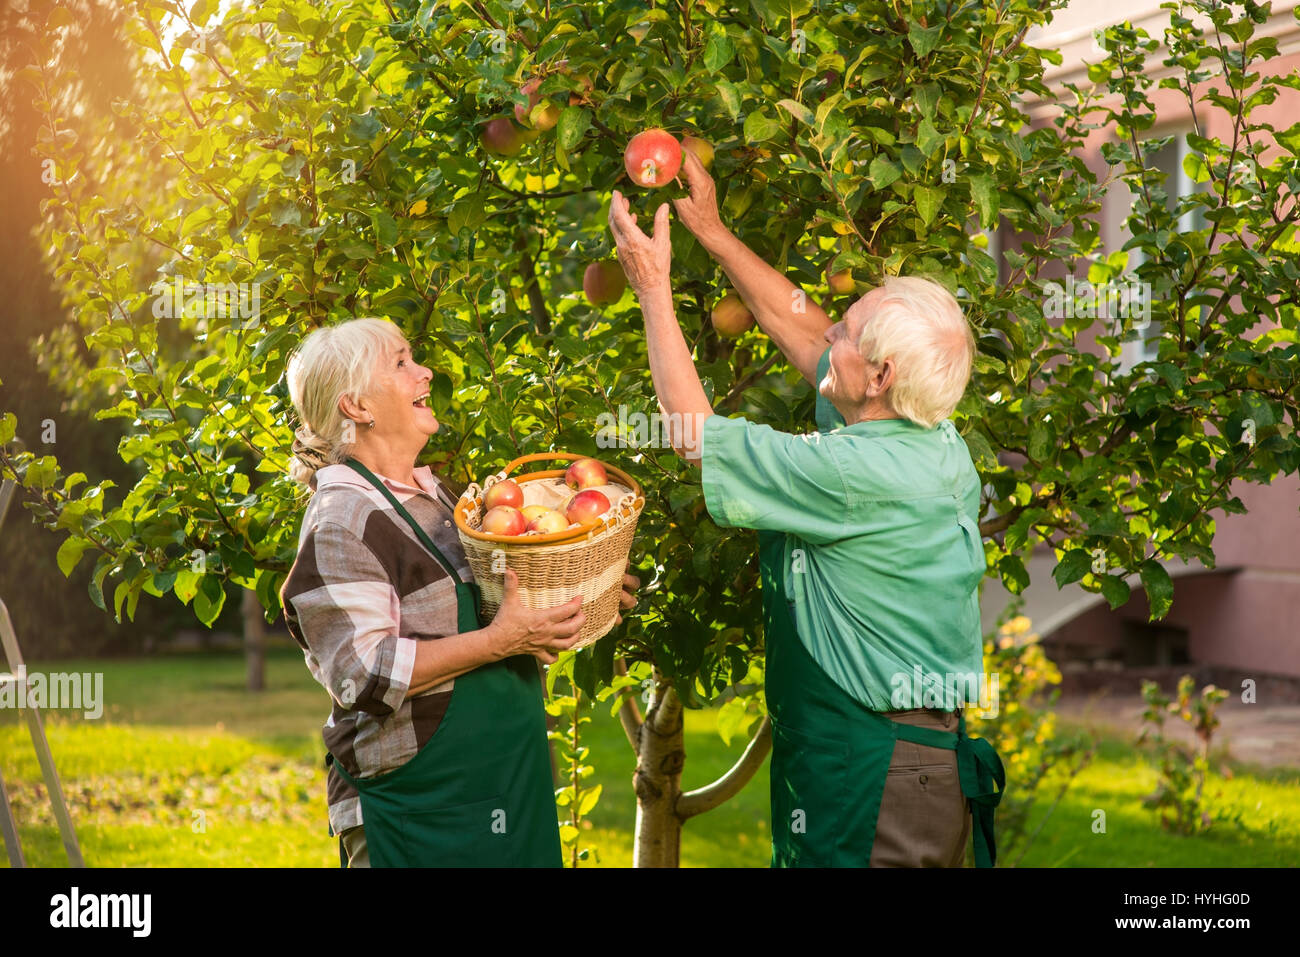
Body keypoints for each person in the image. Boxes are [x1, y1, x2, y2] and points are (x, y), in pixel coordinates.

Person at [606, 149, 1004, 867]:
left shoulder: (849, 472)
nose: (829, 335)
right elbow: (800, 327)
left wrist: (653, 288)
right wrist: (714, 231)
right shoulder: (934, 438)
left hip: (868, 769)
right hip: (909, 758)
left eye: (846, 333)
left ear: (880, 376)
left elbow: (693, 436)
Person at [280, 317, 639, 867]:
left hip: (505, 786)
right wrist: (502, 641)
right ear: (357, 407)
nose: (425, 371)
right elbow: (366, 675)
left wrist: (578, 590)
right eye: (401, 363)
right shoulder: (343, 520)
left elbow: (491, 621)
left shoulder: (442, 498)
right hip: (423, 809)